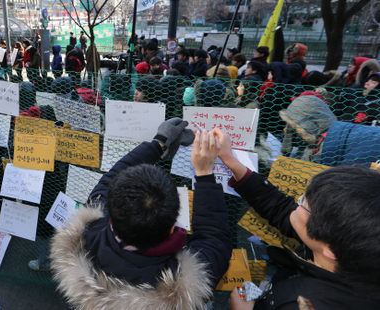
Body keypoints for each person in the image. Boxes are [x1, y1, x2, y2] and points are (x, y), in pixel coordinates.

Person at [50, 123, 232, 309]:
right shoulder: (188, 284)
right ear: (172, 227)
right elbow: (214, 238)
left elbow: (110, 179)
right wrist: (204, 171)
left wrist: (157, 144)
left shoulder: (88, 234)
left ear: (112, 209)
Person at [218, 134, 380, 310]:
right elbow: (280, 208)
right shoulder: (348, 246)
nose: (297, 204)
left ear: (331, 249)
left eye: (305, 204)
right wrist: (230, 160)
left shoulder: (305, 305)